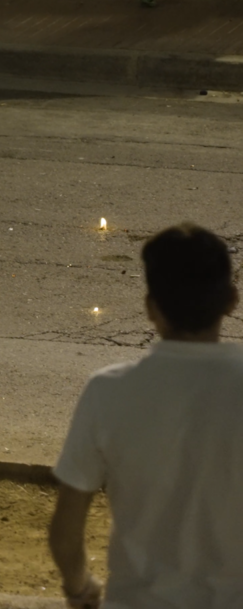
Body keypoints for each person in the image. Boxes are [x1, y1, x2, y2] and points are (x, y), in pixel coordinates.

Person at [49, 223, 242, 609]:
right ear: (231, 300)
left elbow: (65, 533)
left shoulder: (108, 391)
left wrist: (79, 586)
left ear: (151, 308)